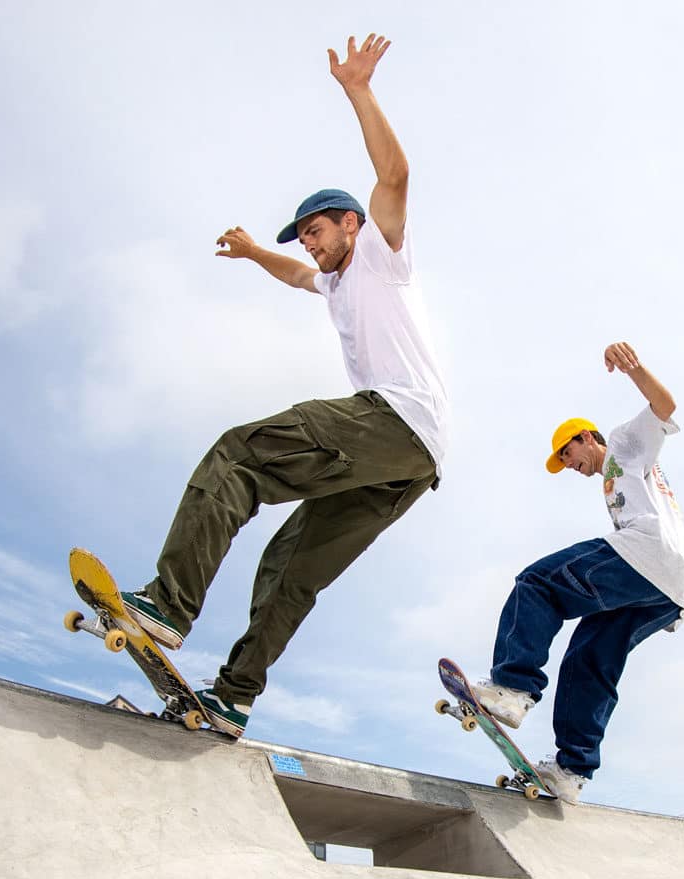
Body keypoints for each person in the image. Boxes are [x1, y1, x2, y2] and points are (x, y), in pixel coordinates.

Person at [120, 33, 446, 738]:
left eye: (318, 229)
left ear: (350, 223)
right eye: (302, 233)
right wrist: (254, 252)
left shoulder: (383, 255)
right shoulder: (329, 281)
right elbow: (297, 275)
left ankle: (166, 606)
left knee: (239, 455)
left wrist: (358, 91)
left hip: (392, 421)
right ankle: (235, 695)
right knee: (291, 565)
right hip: (411, 466)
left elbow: (395, 179)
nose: (311, 242)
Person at [466, 342, 684, 803]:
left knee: (537, 584)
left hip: (646, 554)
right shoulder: (621, 480)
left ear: (587, 438)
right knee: (590, 659)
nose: (569, 465)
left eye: (567, 453)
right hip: (673, 588)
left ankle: (512, 687)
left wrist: (635, 370)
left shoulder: (622, 443)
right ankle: (571, 770)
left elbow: (665, 406)